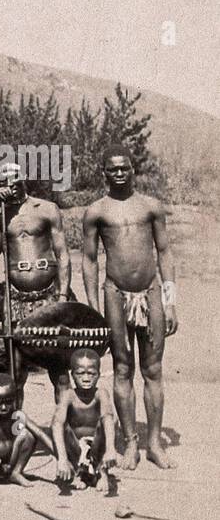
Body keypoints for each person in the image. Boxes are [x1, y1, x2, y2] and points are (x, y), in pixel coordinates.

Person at [81, 147, 177, 470]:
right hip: (115, 295)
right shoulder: (96, 211)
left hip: (150, 294)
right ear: (104, 173)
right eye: (113, 169)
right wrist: (94, 308)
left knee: (153, 369)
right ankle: (131, 443)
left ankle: (153, 442)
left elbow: (164, 252)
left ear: (133, 170)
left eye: (124, 168)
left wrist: (170, 298)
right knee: (123, 368)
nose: (119, 173)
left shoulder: (151, 207)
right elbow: (90, 260)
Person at [0, 160, 72, 404]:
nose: (11, 185)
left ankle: (64, 431)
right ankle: (16, 428)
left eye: (15, 179)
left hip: (49, 294)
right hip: (15, 296)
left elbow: (63, 254)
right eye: (4, 182)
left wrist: (63, 298)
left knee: (60, 370)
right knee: (16, 370)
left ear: (24, 178)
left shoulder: (46, 208)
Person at [51, 348, 118, 495]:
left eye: (91, 374)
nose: (86, 378)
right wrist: (61, 459)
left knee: (109, 421)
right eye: (81, 373)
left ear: (99, 375)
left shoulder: (101, 393)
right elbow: (57, 424)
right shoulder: (68, 395)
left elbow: (107, 418)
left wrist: (111, 449)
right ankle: (78, 471)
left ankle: (102, 471)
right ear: (72, 375)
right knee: (60, 424)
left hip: (96, 446)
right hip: (75, 447)